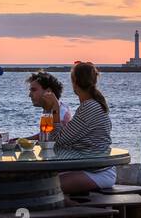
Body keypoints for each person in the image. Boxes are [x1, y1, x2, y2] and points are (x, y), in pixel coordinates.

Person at [37, 62, 116, 195]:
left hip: (98, 172)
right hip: (92, 167)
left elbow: (55, 140)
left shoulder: (89, 108)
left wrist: (54, 107)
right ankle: (68, 206)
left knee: (44, 187)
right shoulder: (91, 105)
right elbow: (59, 139)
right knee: (42, 181)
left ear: (75, 82)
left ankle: (71, 208)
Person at [26, 70, 71, 139]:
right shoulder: (50, 109)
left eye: (34, 90)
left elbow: (50, 138)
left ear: (48, 92)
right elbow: (46, 133)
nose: (30, 95)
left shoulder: (61, 113)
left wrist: (22, 140)